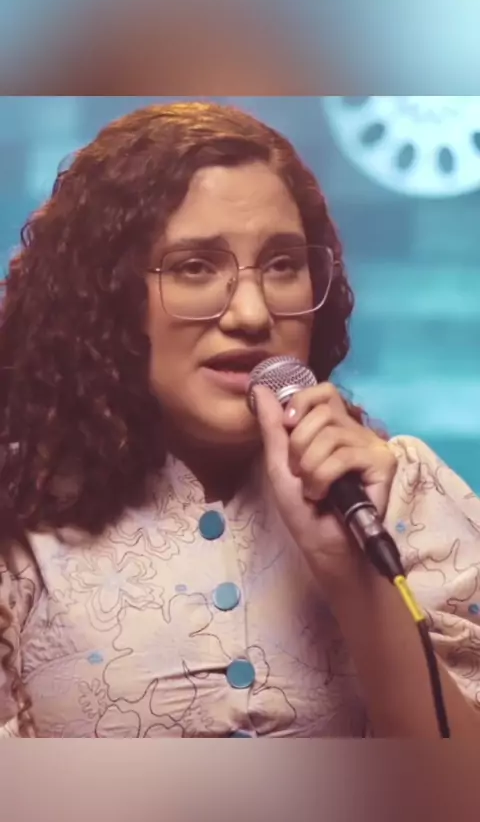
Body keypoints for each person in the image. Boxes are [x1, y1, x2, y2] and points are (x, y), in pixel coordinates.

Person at [0, 102, 479, 739]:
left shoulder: (399, 490)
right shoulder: (19, 511)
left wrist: (353, 576)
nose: (253, 314)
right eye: (195, 267)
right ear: (107, 295)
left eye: (283, 265)